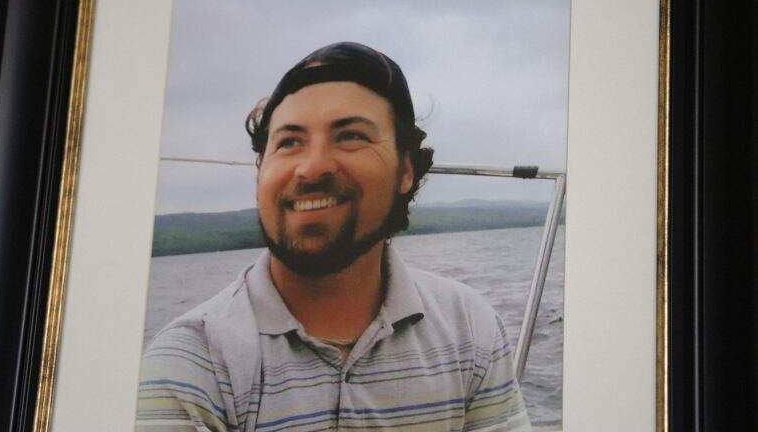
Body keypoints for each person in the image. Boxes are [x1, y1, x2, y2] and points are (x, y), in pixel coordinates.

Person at [136, 42, 532, 431]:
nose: (311, 168)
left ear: (406, 170)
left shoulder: (469, 330)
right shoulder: (190, 366)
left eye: (350, 136)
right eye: (289, 142)